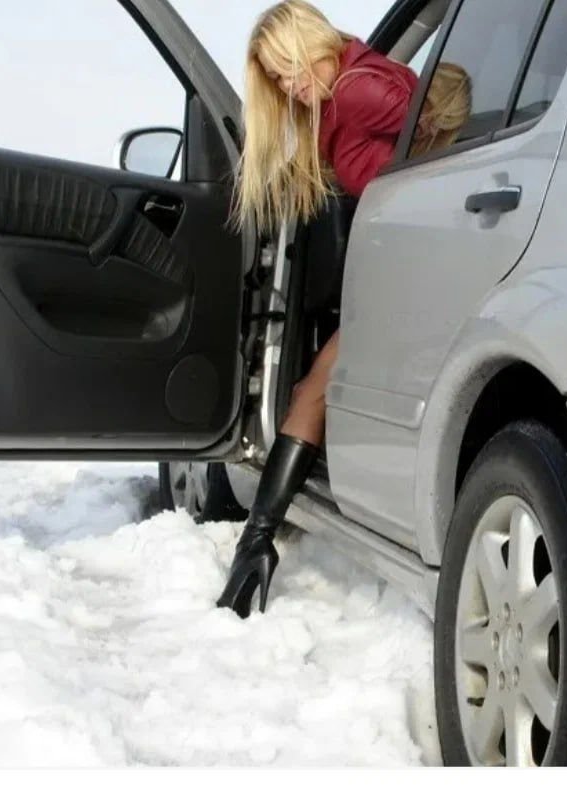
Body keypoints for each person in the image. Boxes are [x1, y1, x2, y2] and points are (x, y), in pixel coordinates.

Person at [216, 0, 419, 618]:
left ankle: (257, 546)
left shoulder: (358, 91)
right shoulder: (341, 100)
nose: (288, 83)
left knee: (313, 389)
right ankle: (257, 544)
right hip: (396, 267)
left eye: (288, 65)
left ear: (314, 41)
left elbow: (435, 120)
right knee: (312, 388)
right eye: (275, 78)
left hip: (418, 268)